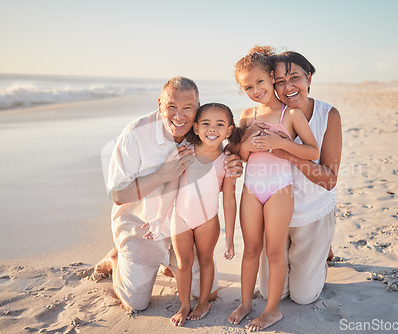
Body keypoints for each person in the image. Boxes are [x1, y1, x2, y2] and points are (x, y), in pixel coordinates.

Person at [94, 77, 243, 312]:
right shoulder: (135, 135)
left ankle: (170, 262)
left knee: (210, 293)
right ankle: (116, 257)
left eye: (187, 108)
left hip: (186, 225)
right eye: (171, 107)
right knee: (135, 304)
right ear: (160, 104)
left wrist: (233, 163)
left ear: (197, 107)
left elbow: (215, 163)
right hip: (144, 226)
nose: (179, 116)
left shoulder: (200, 131)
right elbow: (118, 195)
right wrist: (162, 174)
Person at [228, 46, 319, 331]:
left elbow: (312, 151)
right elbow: (238, 155)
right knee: (251, 249)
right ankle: (245, 303)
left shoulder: (291, 115)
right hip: (251, 189)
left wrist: (279, 143)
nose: (256, 90)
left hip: (280, 189)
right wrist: (246, 141)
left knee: (275, 251)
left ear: (270, 76)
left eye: (260, 83)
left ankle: (271, 310)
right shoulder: (246, 116)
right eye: (248, 87)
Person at [257, 51, 342, 306]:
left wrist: (288, 153)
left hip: (313, 212)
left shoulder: (329, 115)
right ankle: (314, 254)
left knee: (303, 297)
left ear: (309, 78)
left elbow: (329, 180)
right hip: (275, 215)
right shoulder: (266, 115)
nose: (288, 87)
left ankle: (322, 248)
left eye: (295, 77)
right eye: (280, 81)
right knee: (270, 293)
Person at [159, 103, 242, 326]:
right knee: (183, 263)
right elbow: (171, 187)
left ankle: (203, 301)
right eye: (206, 123)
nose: (212, 128)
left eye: (219, 124)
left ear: (229, 130)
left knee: (206, 259)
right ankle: (184, 305)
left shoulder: (226, 162)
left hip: (208, 220)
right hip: (181, 217)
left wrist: (230, 236)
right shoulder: (186, 153)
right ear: (195, 128)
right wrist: (159, 218)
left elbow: (229, 199)